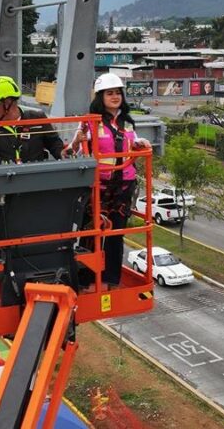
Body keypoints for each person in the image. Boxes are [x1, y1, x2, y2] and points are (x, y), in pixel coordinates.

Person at [68, 73, 150, 287]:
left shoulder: (128, 123)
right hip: (98, 188)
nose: (115, 97)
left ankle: (111, 279)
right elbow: (71, 151)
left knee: (116, 235)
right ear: (100, 97)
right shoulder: (89, 122)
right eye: (109, 93)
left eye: (117, 93)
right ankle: (86, 280)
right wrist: (77, 141)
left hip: (123, 187)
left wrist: (140, 143)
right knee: (90, 235)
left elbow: (132, 144)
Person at [0, 76, 65, 164]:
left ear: (8, 102)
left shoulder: (37, 119)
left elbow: (55, 145)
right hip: (5, 177)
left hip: (36, 175)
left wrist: (63, 153)